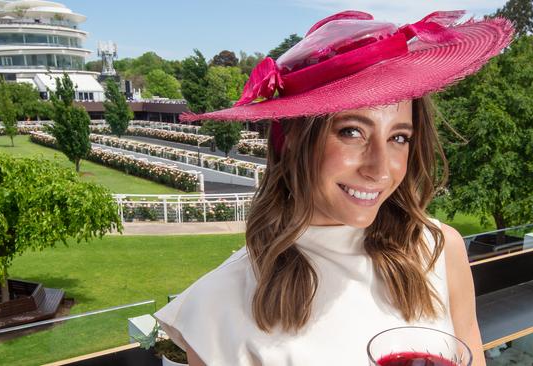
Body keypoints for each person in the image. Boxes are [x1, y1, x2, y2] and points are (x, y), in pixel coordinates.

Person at [155, 10, 513, 366]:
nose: (380, 169)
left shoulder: (438, 250)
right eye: (352, 132)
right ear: (293, 139)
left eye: (399, 137)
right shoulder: (216, 307)